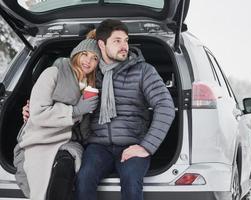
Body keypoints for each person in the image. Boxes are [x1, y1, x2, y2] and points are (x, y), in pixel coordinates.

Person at [74, 19, 175, 200]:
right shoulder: (90, 73)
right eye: (117, 41)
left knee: (131, 180)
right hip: (98, 146)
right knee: (83, 178)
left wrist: (146, 146)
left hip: (132, 144)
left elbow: (165, 106)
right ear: (102, 44)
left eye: (126, 40)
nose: (124, 46)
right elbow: (63, 96)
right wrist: (31, 109)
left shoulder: (144, 71)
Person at [14, 37, 101, 200]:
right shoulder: (53, 73)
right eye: (85, 54)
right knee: (42, 177)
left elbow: (84, 131)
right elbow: (38, 113)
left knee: (65, 166)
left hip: (67, 141)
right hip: (40, 138)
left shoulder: (89, 85)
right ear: (76, 54)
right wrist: (75, 110)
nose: (88, 61)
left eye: (95, 58)